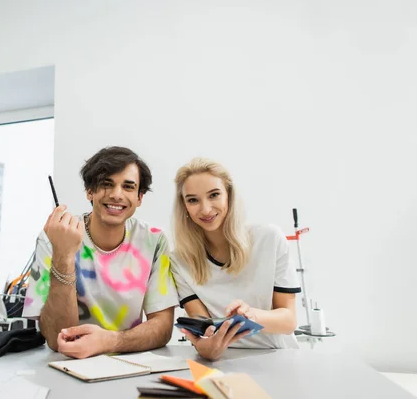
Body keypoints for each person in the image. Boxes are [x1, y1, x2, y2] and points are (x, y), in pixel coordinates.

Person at [23, 146, 179, 359]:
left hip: (130, 363)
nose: (116, 195)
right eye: (106, 184)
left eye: (128, 187)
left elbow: (162, 328)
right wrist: (64, 255)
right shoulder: (53, 238)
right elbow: (55, 337)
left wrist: (109, 341)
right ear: (90, 191)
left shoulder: (154, 241)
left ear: (140, 197)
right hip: (66, 365)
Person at [170, 158, 301, 361]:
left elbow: (289, 320)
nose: (205, 209)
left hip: (278, 357)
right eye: (193, 200)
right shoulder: (179, 261)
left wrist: (251, 315)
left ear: (229, 195)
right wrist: (204, 347)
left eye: (214, 195)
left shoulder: (269, 239)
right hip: (223, 362)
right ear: (184, 206)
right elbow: (203, 328)